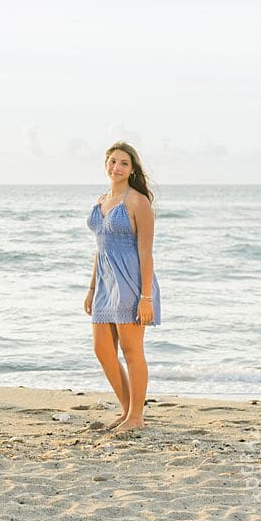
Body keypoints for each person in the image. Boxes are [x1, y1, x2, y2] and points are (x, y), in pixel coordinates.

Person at [84, 141, 161, 432]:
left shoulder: (137, 202)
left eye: (123, 163)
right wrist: (92, 288)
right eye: (112, 161)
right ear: (106, 164)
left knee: (131, 351)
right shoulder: (102, 198)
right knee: (102, 350)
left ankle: (136, 418)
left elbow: (146, 252)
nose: (116, 167)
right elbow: (100, 248)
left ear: (132, 169)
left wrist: (146, 296)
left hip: (130, 280)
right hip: (105, 281)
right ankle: (127, 410)